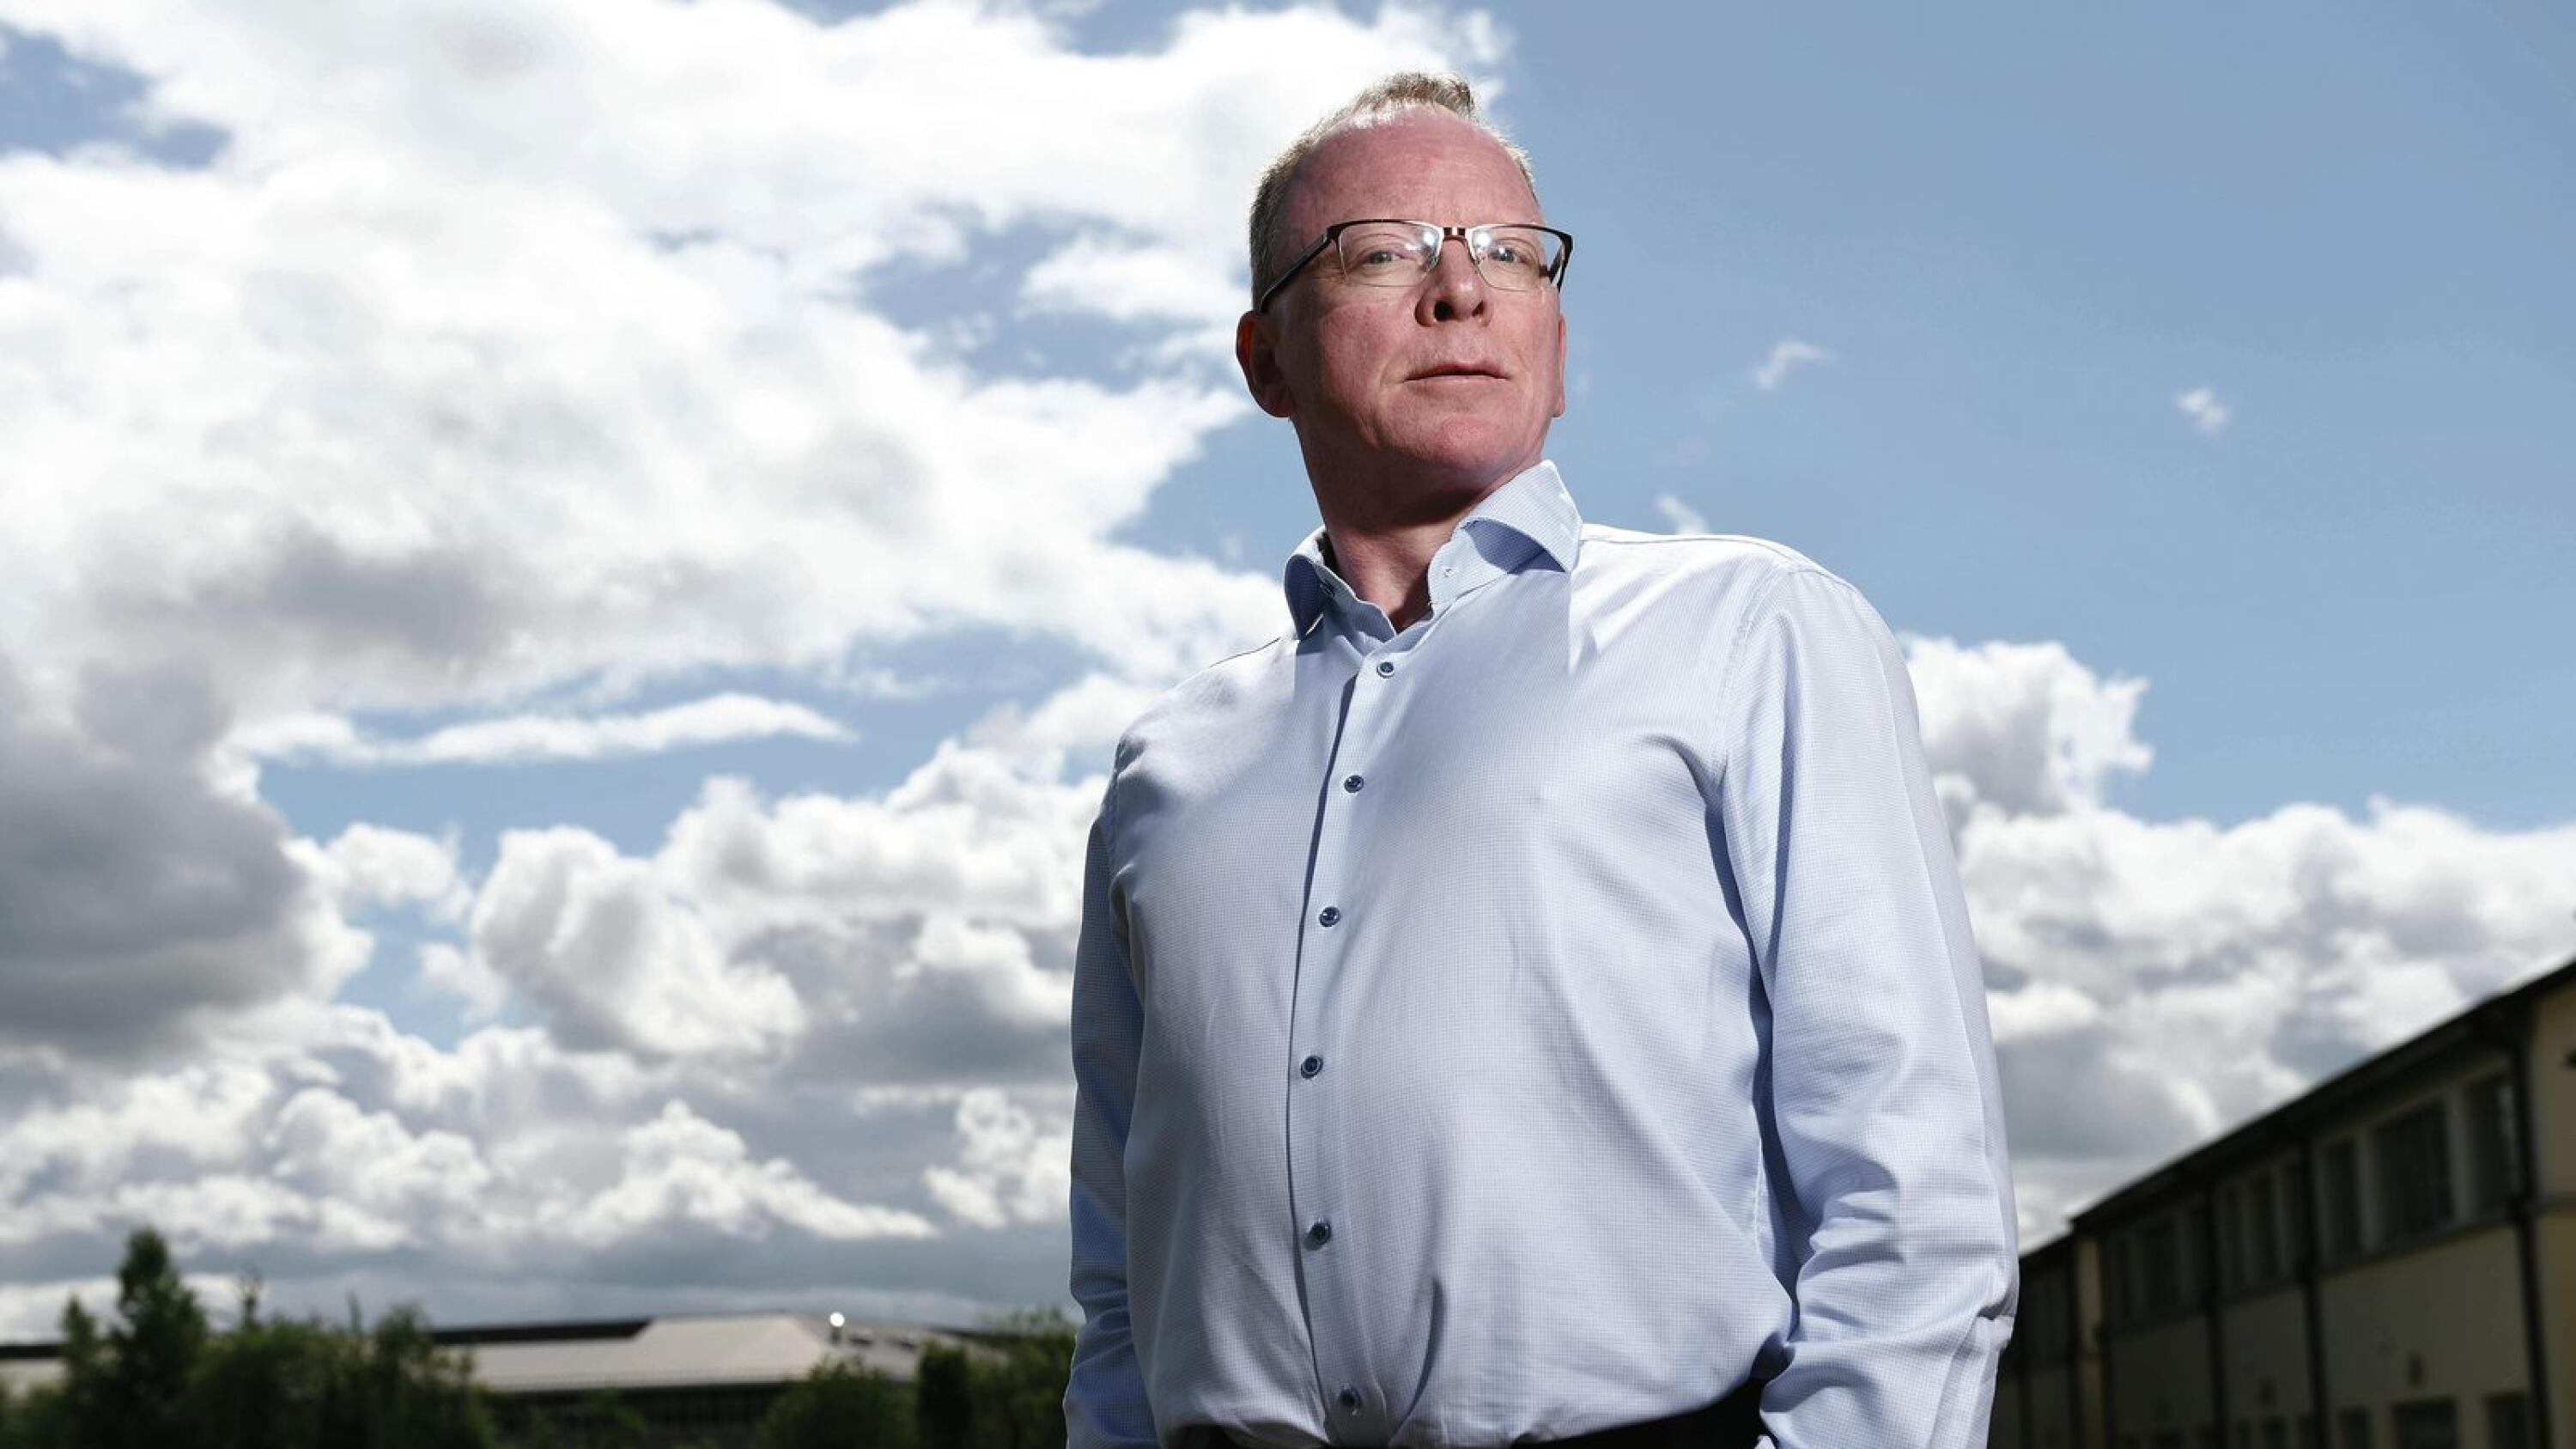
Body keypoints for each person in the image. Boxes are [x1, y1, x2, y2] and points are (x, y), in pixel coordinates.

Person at [1064, 71, 2018, 1449]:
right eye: (1382, 252)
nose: (1461, 291)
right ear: (1265, 360)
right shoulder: (1166, 766)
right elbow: (1118, 1270)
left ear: (1557, 349)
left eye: (1510, 254)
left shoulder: (1753, 629)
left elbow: (1916, 1193)